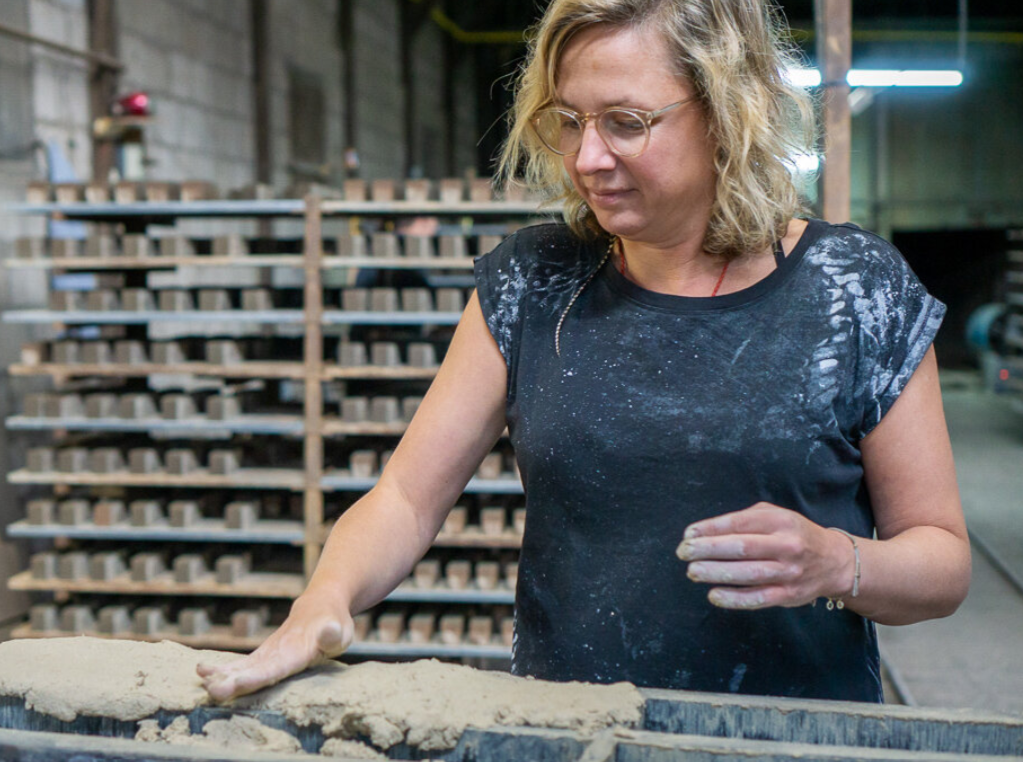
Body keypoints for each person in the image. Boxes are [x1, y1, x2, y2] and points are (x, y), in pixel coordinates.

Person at [200, 0, 970, 703]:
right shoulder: (535, 284)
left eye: (627, 122)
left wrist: (840, 563)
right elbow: (405, 499)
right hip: (576, 736)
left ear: (727, 110)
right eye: (570, 121)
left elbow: (941, 561)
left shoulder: (856, 291)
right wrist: (324, 599)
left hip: (796, 740)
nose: (588, 157)